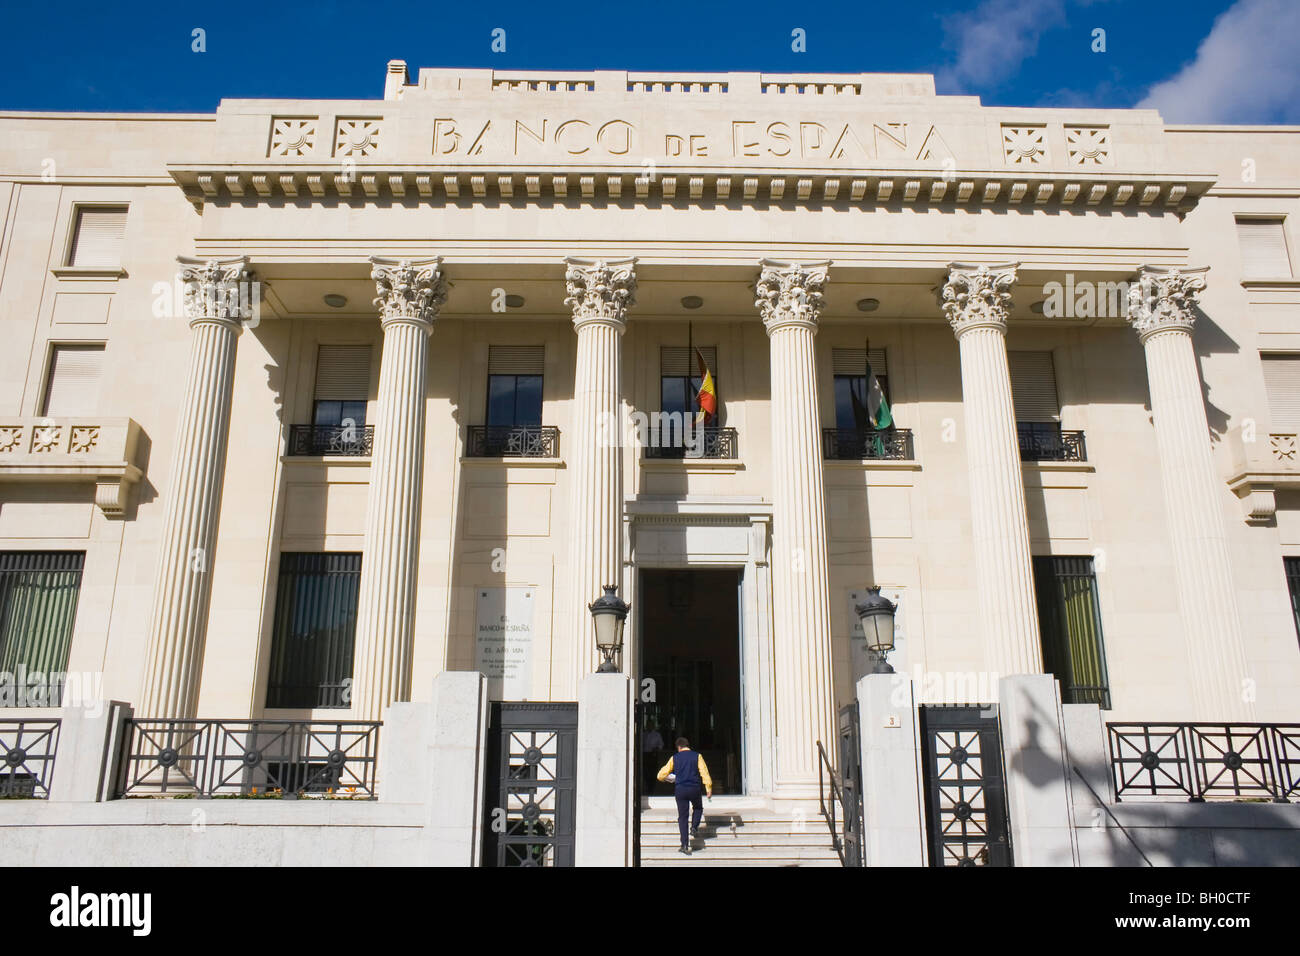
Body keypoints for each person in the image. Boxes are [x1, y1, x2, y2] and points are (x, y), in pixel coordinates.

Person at [656, 737, 713, 855]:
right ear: (687, 745)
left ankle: (685, 845)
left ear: (678, 747)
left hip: (680, 790)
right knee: (698, 808)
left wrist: (670, 778)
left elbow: (660, 775)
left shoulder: (674, 757)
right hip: (694, 788)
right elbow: (704, 773)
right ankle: (694, 827)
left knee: (682, 817)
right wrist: (708, 788)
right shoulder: (697, 756)